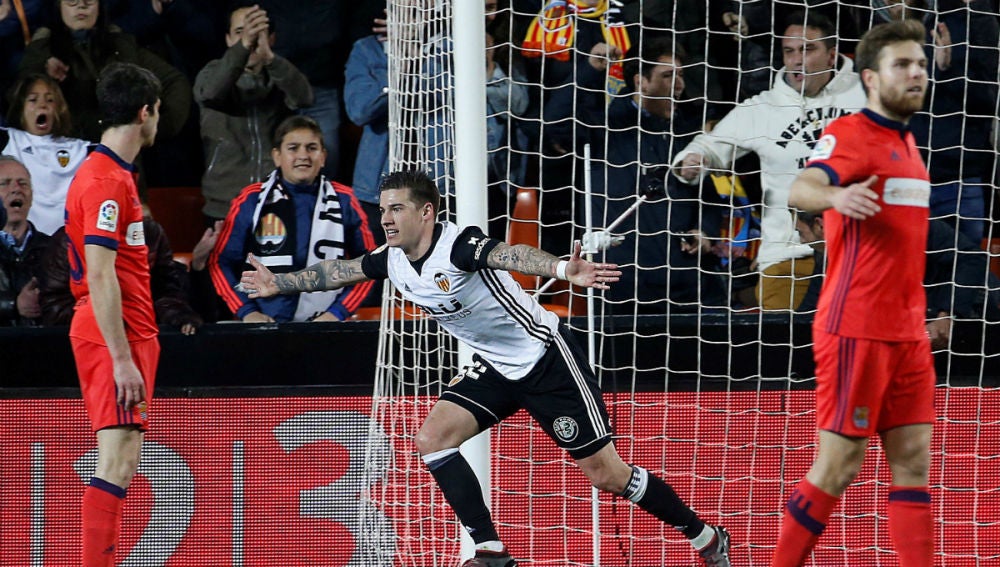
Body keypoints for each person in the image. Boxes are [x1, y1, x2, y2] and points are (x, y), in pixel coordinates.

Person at [237, 169, 733, 567]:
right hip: (494, 367)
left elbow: (511, 253)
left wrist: (563, 269)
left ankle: (705, 535)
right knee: (432, 439)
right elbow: (337, 270)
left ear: (426, 212)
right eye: (383, 209)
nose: (386, 219)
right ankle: (491, 549)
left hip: (546, 360)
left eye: (397, 209)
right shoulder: (392, 259)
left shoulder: (458, 245)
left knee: (606, 475)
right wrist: (278, 284)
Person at [776, 19, 934, 566]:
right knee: (838, 466)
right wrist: (835, 199)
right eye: (902, 65)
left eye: (920, 63)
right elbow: (803, 185)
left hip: (907, 333)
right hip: (856, 326)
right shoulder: (850, 133)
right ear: (870, 78)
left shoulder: (908, 141)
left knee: (913, 463)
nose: (917, 73)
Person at [672, 10, 866, 311]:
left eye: (807, 49)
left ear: (831, 55)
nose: (796, 60)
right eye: (789, 51)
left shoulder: (866, 93)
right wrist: (693, 159)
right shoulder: (764, 109)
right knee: (787, 352)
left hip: (864, 252)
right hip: (789, 256)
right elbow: (708, 145)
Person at [63, 62, 162, 566]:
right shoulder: (105, 180)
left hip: (127, 333)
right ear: (146, 113)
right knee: (117, 462)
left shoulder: (115, 174)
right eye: (158, 110)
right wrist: (122, 359)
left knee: (120, 462)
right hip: (113, 335)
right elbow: (99, 275)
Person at [582, 38, 727, 312]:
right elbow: (553, 124)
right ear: (641, 81)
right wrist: (590, 70)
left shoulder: (687, 131)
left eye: (681, 74)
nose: (679, 85)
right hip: (627, 286)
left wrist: (705, 232)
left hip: (689, 281)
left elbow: (708, 196)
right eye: (668, 75)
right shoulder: (605, 128)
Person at [209, 115, 375, 323]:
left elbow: (369, 265)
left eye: (311, 148)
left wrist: (337, 313)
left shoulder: (344, 199)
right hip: (263, 328)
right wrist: (247, 312)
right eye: (293, 148)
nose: (303, 155)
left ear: (323, 156)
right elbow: (220, 262)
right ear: (277, 156)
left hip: (325, 328)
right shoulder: (251, 199)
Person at [195, 2, 314, 223]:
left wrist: (270, 58)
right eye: (240, 32)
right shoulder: (211, 72)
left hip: (276, 203)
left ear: (271, 39)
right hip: (225, 206)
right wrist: (243, 47)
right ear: (228, 39)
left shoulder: (280, 75)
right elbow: (211, 93)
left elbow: (304, 98)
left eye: (257, 34)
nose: (248, 40)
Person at [41, 215, 204, 334]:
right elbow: (55, 309)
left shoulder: (151, 233)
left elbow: (166, 290)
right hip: (86, 338)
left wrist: (177, 314)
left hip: (140, 335)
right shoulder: (68, 241)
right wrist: (113, 319)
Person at [1, 73, 92, 234]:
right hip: (23, 243)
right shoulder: (9, 140)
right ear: (20, 107)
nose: (42, 106)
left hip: (66, 246)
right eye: (33, 100)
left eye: (50, 100)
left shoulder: (79, 149)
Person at [0, 155, 49, 326]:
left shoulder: (54, 248)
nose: (16, 189)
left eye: (23, 183)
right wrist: (13, 305)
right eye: (5, 183)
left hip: (43, 346)